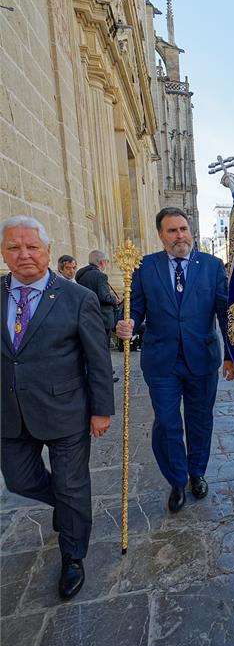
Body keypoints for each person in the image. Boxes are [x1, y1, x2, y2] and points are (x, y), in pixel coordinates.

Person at [1, 215, 114, 599]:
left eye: (32, 246)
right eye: (14, 247)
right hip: (9, 413)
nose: (24, 255)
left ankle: (73, 555)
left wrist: (101, 410)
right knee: (19, 480)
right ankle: (68, 508)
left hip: (66, 411)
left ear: (48, 251)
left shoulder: (76, 296)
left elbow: (97, 359)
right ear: (4, 253)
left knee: (71, 484)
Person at [115, 206, 234, 513]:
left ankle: (197, 473)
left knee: (200, 421)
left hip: (202, 359)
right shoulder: (145, 268)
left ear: (191, 231)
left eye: (183, 229)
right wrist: (125, 323)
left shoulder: (211, 266)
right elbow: (135, 309)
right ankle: (177, 479)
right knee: (168, 424)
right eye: (172, 230)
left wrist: (232, 357)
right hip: (162, 363)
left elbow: (225, 314)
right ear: (161, 235)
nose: (179, 235)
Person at [76, 250, 120, 345]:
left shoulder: (81, 274)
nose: (106, 264)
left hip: (87, 316)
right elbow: (104, 296)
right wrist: (114, 299)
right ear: (101, 262)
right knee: (103, 348)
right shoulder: (100, 276)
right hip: (102, 318)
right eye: (106, 261)